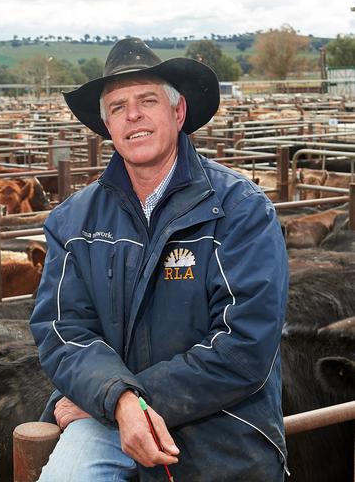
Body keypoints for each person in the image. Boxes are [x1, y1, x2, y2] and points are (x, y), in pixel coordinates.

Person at [30, 37, 288, 482]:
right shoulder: (73, 221)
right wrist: (118, 402)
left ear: (178, 112)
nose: (133, 116)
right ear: (107, 125)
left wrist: (126, 401)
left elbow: (245, 343)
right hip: (108, 415)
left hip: (223, 424)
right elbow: (63, 331)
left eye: (147, 100)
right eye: (117, 107)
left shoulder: (240, 209)